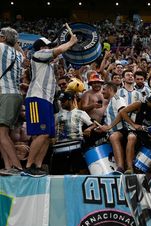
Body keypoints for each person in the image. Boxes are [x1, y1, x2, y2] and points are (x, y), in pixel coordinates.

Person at [23, 35, 78, 175]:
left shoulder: (48, 64)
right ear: (42, 47)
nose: (50, 48)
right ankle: (29, 166)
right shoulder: (38, 54)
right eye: (48, 46)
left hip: (46, 100)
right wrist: (71, 42)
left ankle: (38, 165)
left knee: (48, 135)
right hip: (36, 99)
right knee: (40, 133)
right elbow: (58, 50)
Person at [52, 91, 96, 174]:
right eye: (61, 101)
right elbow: (52, 128)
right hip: (60, 147)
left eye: (64, 101)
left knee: (81, 169)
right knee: (59, 172)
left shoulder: (81, 113)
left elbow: (94, 124)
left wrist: (89, 129)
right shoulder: (57, 115)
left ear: (71, 100)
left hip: (77, 145)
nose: (61, 103)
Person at [0, 27, 25, 174]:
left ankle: (17, 167)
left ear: (3, 38)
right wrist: (14, 41)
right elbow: (20, 50)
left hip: (5, 94)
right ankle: (8, 167)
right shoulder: (19, 54)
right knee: (3, 134)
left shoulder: (1, 47)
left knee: (2, 134)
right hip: (15, 95)